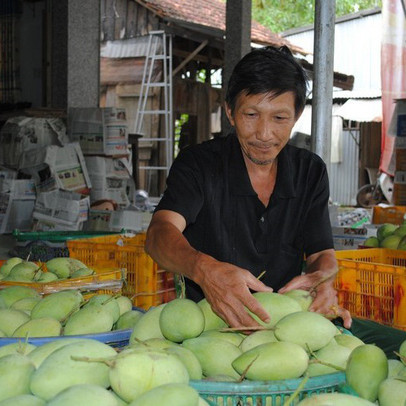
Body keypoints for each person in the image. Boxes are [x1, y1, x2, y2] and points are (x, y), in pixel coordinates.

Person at [145, 45, 352, 330]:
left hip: (281, 329)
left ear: (297, 114)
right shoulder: (199, 164)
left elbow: (320, 254)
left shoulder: (310, 171)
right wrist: (203, 269)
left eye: (279, 118)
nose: (264, 134)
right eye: (251, 115)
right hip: (207, 327)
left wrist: (323, 279)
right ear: (230, 111)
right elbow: (158, 233)